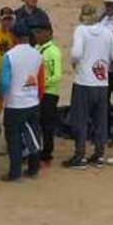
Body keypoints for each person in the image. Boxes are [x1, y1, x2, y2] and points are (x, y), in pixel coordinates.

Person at [64, 4, 113, 169]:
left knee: (80, 120)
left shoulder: (81, 30)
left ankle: (80, 156)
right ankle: (99, 155)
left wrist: (75, 64)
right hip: (101, 82)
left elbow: (76, 53)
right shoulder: (107, 32)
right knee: (100, 119)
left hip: (83, 82)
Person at [0, 21, 44, 181]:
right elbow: (40, 79)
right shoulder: (37, 54)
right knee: (34, 135)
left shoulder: (9, 56)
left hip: (15, 103)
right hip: (32, 101)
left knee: (14, 139)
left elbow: (4, 82)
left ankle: (15, 172)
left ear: (13, 36)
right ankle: (33, 168)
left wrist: (1, 97)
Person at [35, 24, 63, 163]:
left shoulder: (53, 51)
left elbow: (57, 75)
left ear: (48, 34)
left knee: (47, 123)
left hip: (49, 93)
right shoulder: (37, 49)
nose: (37, 35)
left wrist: (42, 83)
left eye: (40, 32)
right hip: (38, 92)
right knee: (38, 122)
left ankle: (47, 151)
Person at [101, 0, 113, 143]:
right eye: (107, 4)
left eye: (112, 5)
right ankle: (105, 132)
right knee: (103, 102)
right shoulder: (102, 21)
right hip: (105, 70)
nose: (109, 7)